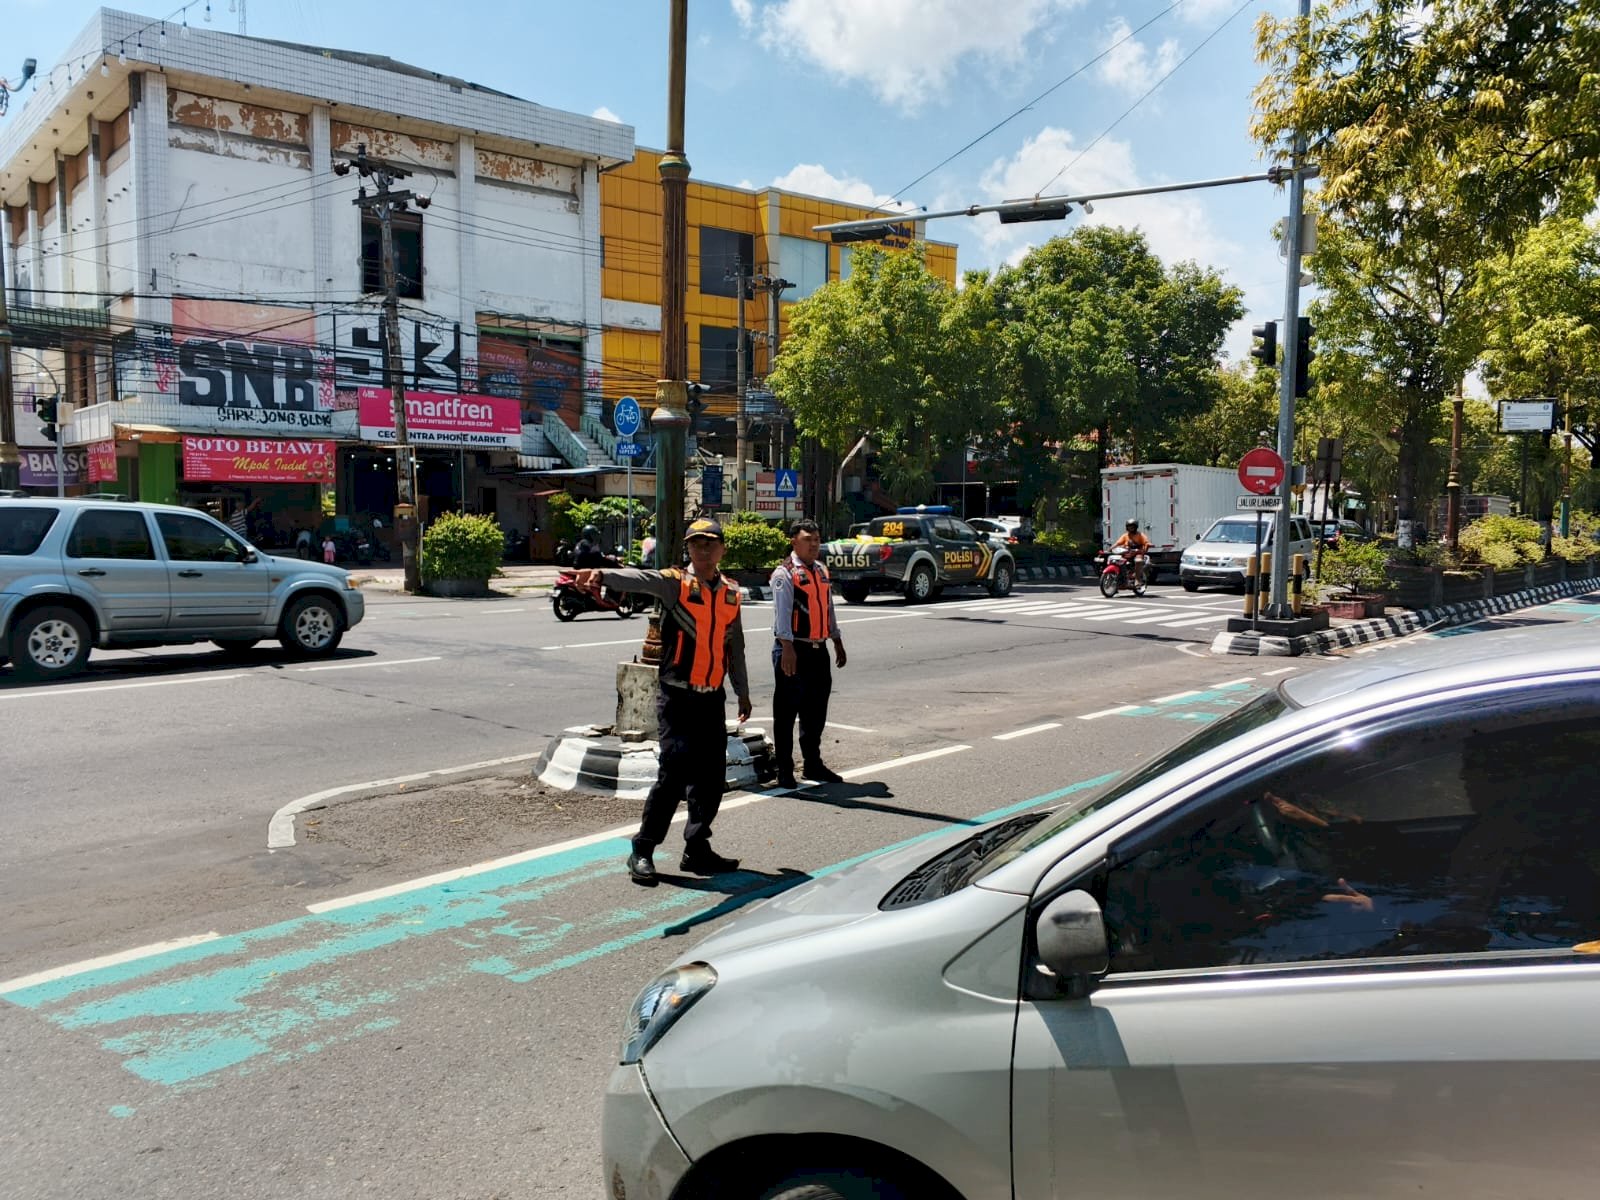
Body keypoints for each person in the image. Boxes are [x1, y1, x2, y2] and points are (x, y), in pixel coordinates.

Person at [576, 517, 753, 886]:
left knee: (710, 777)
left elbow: (734, 647)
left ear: (722, 548)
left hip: (711, 699)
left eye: (710, 543)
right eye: (696, 543)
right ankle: (642, 849)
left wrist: (743, 691)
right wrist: (601, 574)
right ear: (687, 549)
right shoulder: (675, 584)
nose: (703, 549)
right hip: (677, 696)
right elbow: (639, 579)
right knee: (672, 777)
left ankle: (697, 847)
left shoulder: (731, 593)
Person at [769, 519, 848, 788]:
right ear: (793, 541)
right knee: (787, 711)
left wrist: (836, 639)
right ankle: (785, 769)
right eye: (808, 539)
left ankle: (812, 764)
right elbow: (781, 616)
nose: (814, 544)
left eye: (817, 539)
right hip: (794, 649)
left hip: (818, 648)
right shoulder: (785, 573)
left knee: (816, 711)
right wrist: (787, 647)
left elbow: (828, 608)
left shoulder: (821, 571)